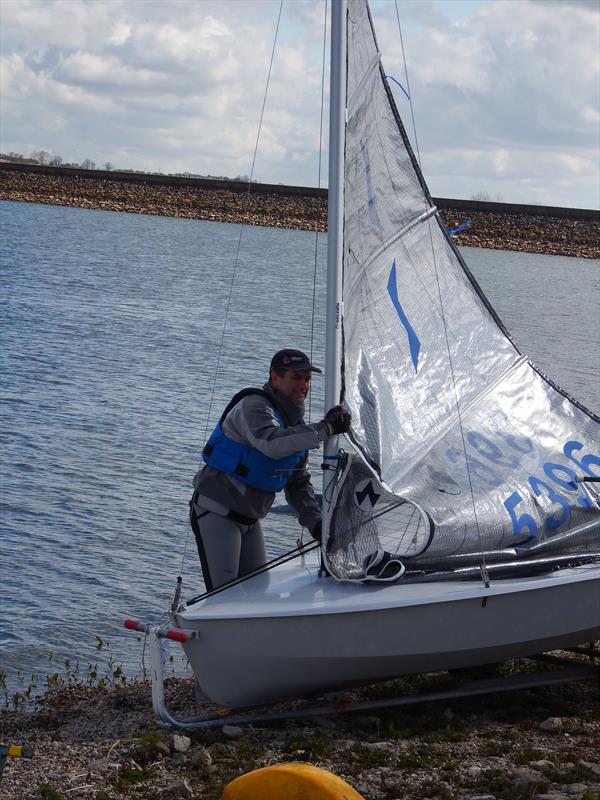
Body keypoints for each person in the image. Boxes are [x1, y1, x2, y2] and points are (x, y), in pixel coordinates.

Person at [190, 348, 351, 591]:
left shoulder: (297, 429)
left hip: (250, 519)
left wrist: (317, 525)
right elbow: (271, 443)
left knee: (258, 593)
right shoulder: (253, 406)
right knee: (224, 598)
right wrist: (326, 428)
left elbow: (298, 485)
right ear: (274, 377)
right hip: (216, 512)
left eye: (307, 378)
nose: (304, 385)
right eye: (296, 377)